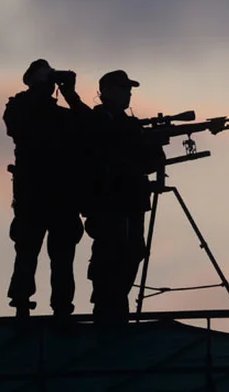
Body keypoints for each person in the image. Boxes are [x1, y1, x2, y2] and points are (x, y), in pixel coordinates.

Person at [4, 59, 92, 319]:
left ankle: (62, 308)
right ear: (31, 80)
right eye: (44, 77)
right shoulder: (19, 106)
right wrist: (41, 88)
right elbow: (16, 125)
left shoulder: (61, 114)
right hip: (32, 195)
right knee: (27, 252)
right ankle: (21, 303)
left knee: (63, 258)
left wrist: (71, 94)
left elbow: (89, 127)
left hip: (63, 196)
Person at [84, 70, 165, 324]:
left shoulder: (131, 126)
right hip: (108, 203)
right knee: (110, 255)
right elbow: (101, 153)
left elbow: (152, 161)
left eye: (128, 89)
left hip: (132, 203)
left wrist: (153, 143)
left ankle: (117, 308)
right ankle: (107, 310)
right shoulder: (95, 122)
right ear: (106, 92)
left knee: (132, 254)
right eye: (122, 89)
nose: (128, 94)